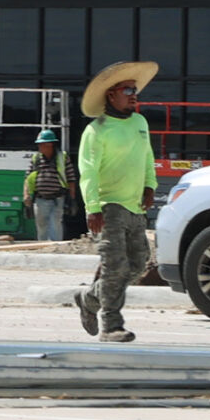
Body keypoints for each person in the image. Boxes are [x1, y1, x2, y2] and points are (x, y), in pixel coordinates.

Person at [74, 61, 159, 343]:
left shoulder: (140, 123)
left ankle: (88, 299)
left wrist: (150, 185)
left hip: (134, 206)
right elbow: (88, 170)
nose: (134, 94)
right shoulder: (97, 130)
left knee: (138, 265)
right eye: (128, 90)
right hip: (109, 207)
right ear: (111, 95)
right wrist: (93, 207)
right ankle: (111, 325)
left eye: (135, 90)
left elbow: (147, 157)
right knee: (115, 268)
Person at [22, 129, 79, 242]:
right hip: (40, 198)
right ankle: (42, 246)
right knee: (41, 225)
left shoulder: (62, 158)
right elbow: (27, 179)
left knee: (55, 223)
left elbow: (71, 178)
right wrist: (26, 194)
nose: (40, 147)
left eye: (42, 144)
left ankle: (55, 246)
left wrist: (71, 198)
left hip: (58, 198)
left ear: (50, 144)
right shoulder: (36, 159)